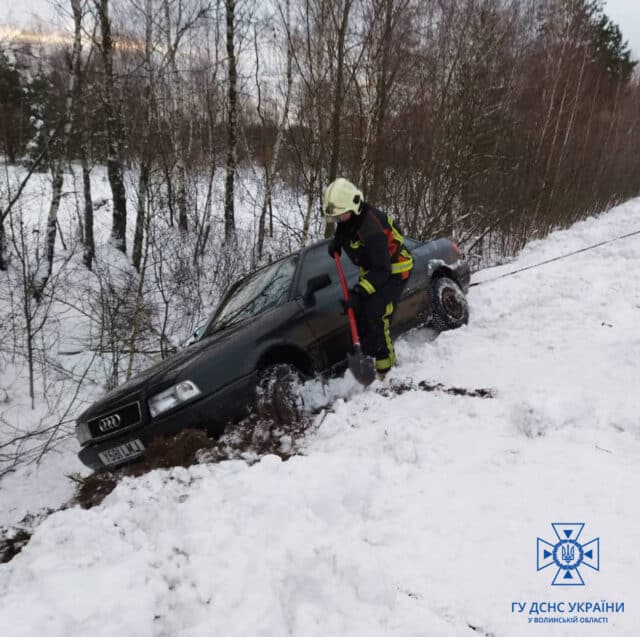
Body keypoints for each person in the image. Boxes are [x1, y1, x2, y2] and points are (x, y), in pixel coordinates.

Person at [324, 177, 413, 379]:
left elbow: (383, 270)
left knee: (376, 312)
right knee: (361, 311)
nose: (339, 220)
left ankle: (386, 370)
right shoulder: (349, 218)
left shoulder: (371, 228)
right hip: (374, 268)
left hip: (395, 269)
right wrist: (336, 243)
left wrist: (358, 292)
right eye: (335, 217)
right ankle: (369, 355)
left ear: (353, 206)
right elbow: (343, 230)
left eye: (340, 215)